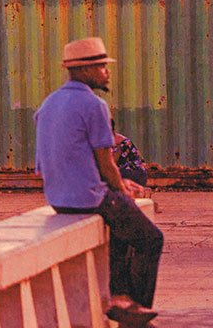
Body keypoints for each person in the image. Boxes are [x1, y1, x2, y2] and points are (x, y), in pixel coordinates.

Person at [34, 37, 164, 326]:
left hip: (58, 199)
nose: (106, 73)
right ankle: (134, 311)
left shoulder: (48, 104)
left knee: (122, 225)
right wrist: (122, 187)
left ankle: (120, 296)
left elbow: (47, 166)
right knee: (151, 238)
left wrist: (115, 187)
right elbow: (106, 162)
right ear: (86, 70)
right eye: (102, 67)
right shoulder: (94, 105)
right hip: (88, 198)